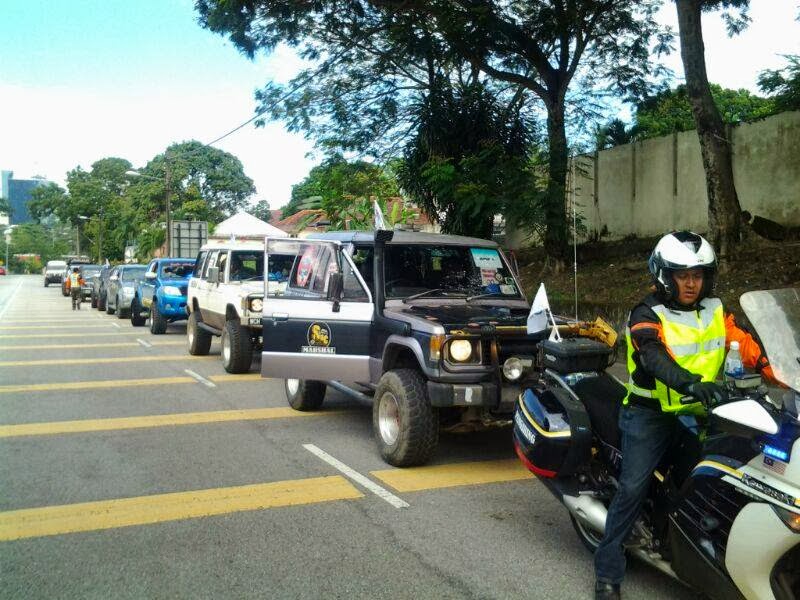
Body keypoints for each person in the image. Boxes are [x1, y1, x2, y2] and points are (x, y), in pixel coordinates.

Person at [593, 231, 774, 600]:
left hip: (702, 409)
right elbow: (653, 356)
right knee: (632, 488)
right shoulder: (646, 313)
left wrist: (780, 370)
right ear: (664, 274)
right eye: (682, 275)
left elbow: (746, 346)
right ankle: (607, 573)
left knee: (727, 476)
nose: (692, 283)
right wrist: (691, 383)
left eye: (698, 274)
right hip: (650, 414)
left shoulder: (716, 311)